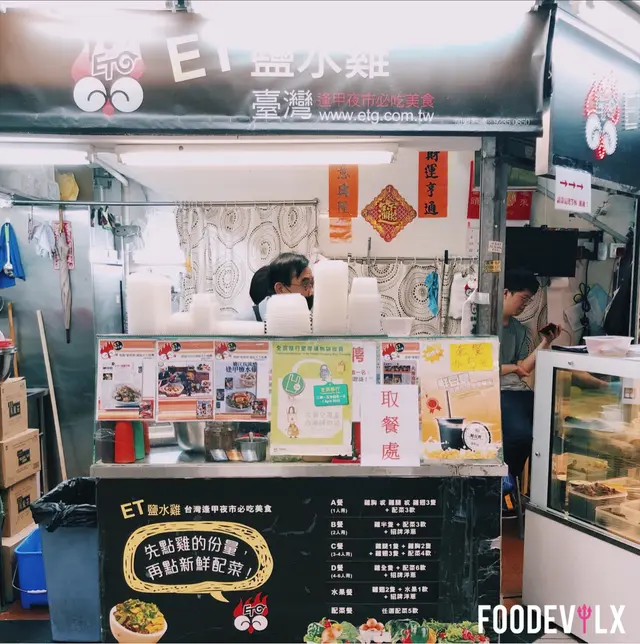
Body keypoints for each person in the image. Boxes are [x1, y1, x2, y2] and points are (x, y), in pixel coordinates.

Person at [500, 268, 561, 481]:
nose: (525, 305)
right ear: (505, 293)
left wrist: (546, 342)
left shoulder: (519, 330)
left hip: (519, 392)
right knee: (520, 435)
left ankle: (517, 482)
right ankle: (506, 479)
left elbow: (524, 368)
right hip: (497, 392)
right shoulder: (483, 324)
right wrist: (511, 368)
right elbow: (479, 368)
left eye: (529, 300)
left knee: (549, 433)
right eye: (523, 298)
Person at [240, 253, 314, 322]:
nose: (311, 292)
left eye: (312, 284)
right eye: (305, 284)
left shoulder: (305, 319)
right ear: (280, 289)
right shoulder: (243, 323)